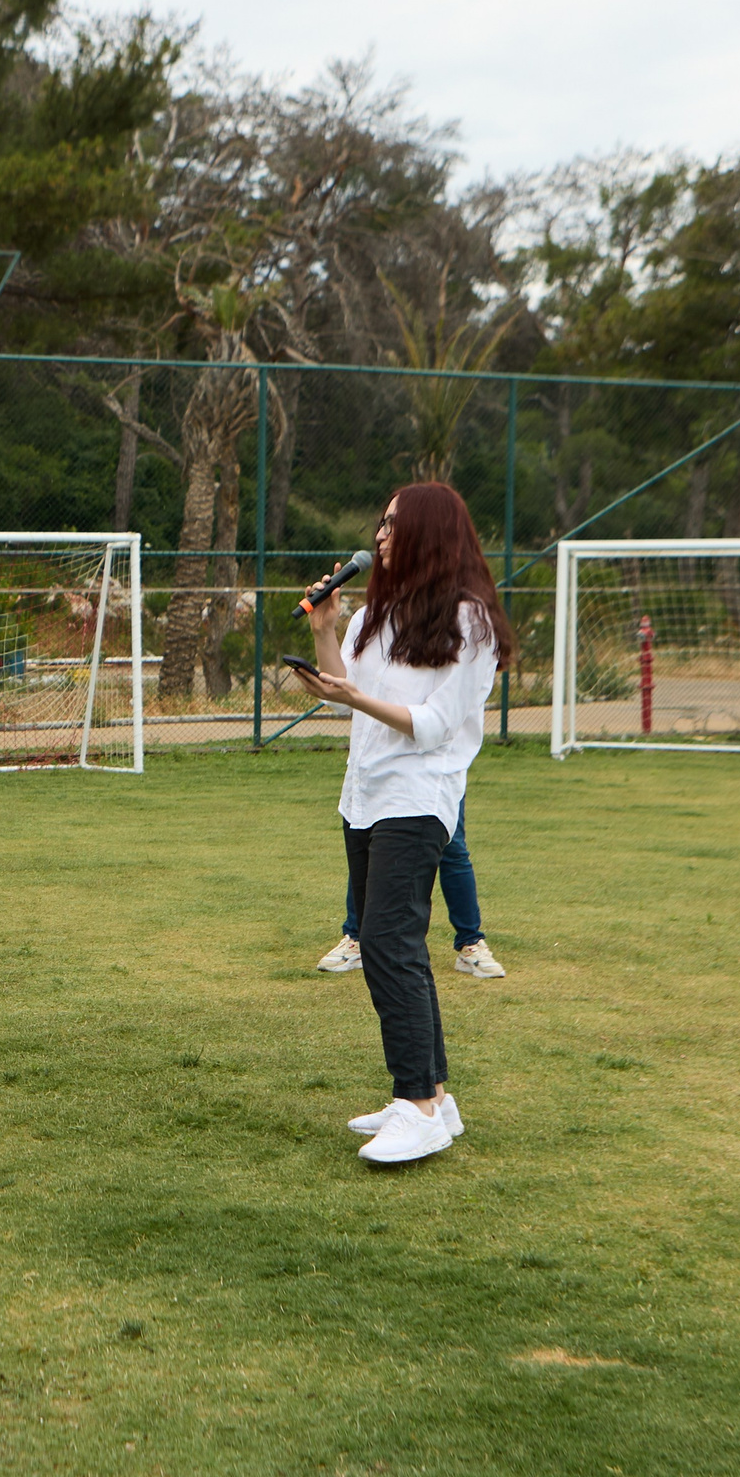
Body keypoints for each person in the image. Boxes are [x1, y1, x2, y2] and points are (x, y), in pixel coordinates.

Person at [289, 481, 511, 1165]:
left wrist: (357, 698)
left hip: (419, 797)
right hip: (364, 795)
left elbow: (435, 724)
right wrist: (325, 633)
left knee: (386, 942)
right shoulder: (374, 614)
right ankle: (435, 1097)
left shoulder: (471, 621)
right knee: (395, 945)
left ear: (429, 534)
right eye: (380, 523)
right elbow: (345, 697)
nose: (380, 535)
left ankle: (415, 1106)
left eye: (393, 525)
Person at [316, 802, 505, 977]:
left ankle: (470, 942)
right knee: (372, 849)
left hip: (436, 786)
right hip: (384, 786)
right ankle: (357, 939)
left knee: (453, 849)